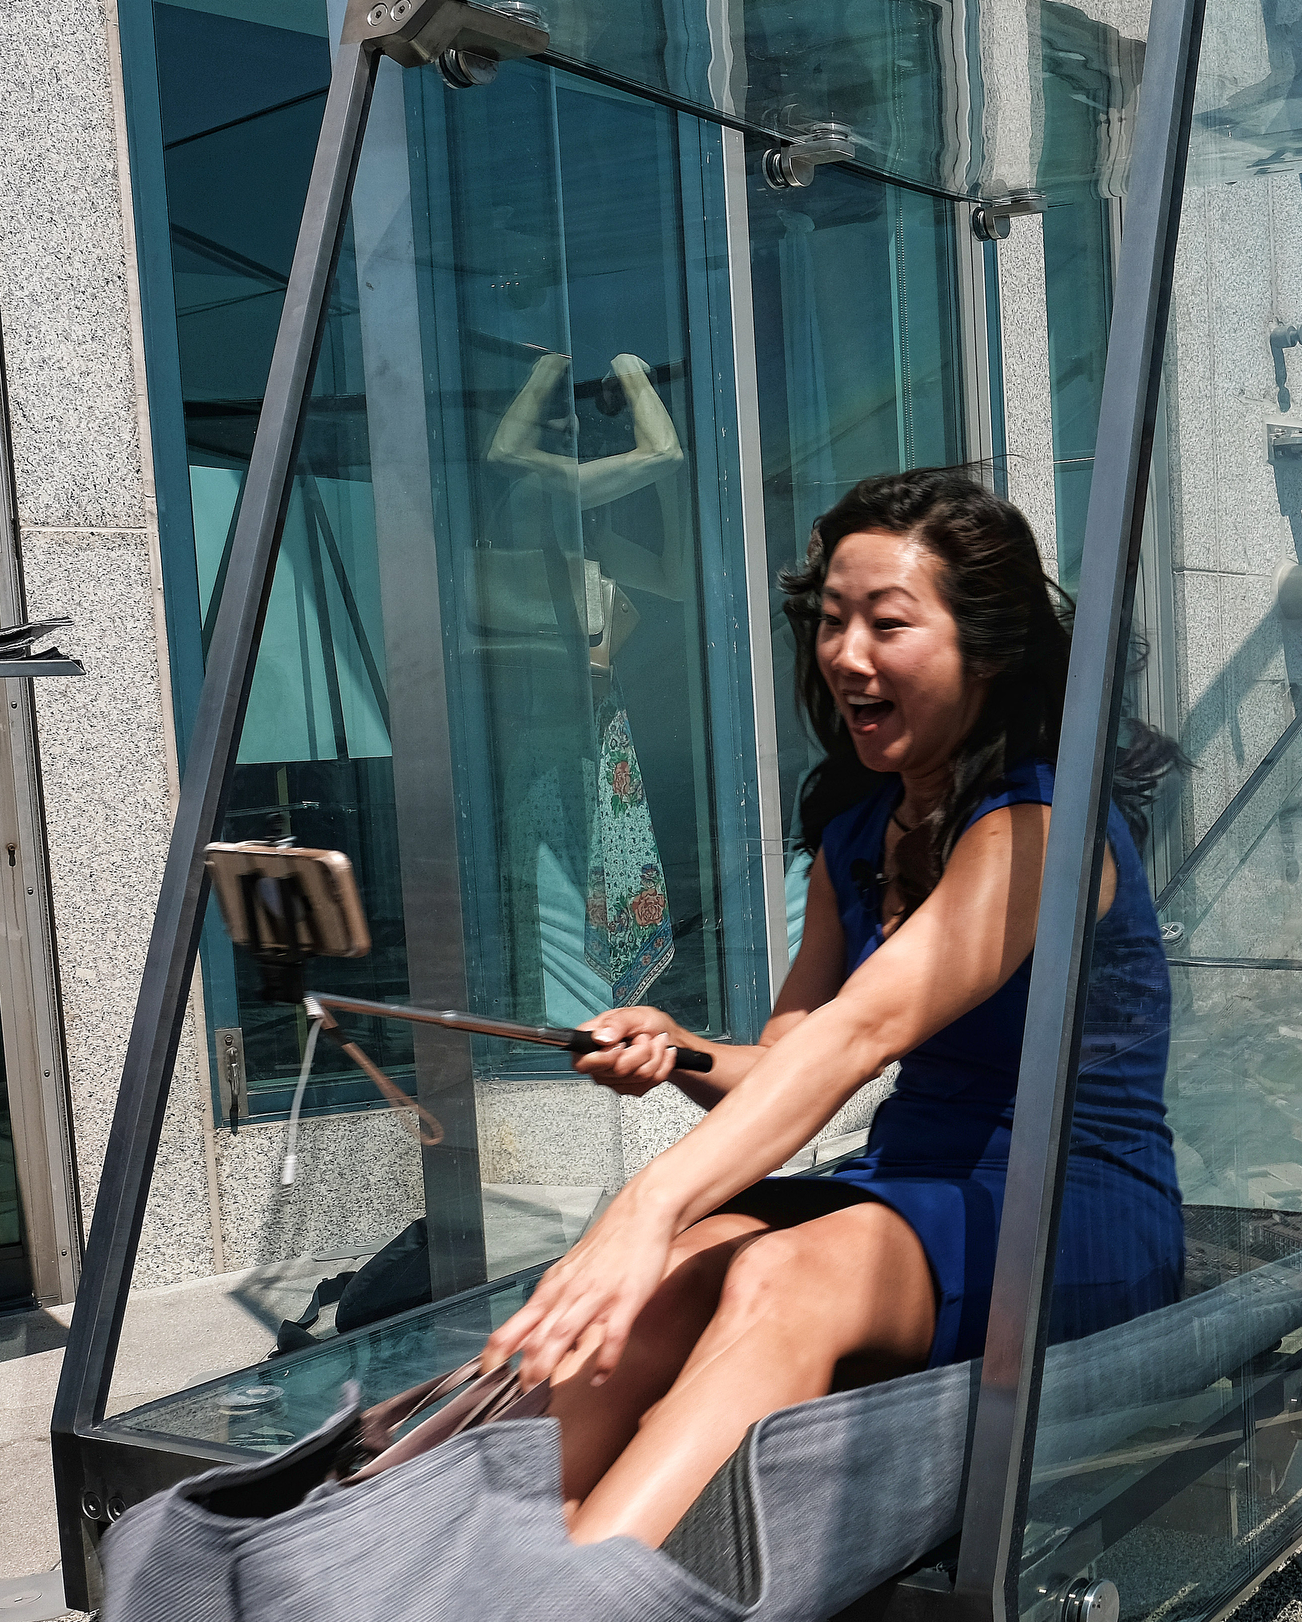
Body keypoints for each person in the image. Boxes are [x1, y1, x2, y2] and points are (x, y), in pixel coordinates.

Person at [478, 468, 1184, 1548]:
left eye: (888, 622)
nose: (846, 653)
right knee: (683, 1268)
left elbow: (862, 1036)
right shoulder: (859, 833)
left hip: (1072, 1205)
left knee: (773, 1267)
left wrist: (641, 1204)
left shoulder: (1042, 824)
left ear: (986, 650)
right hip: (909, 1188)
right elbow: (788, 1064)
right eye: (833, 619)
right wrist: (678, 1052)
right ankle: (459, 1555)